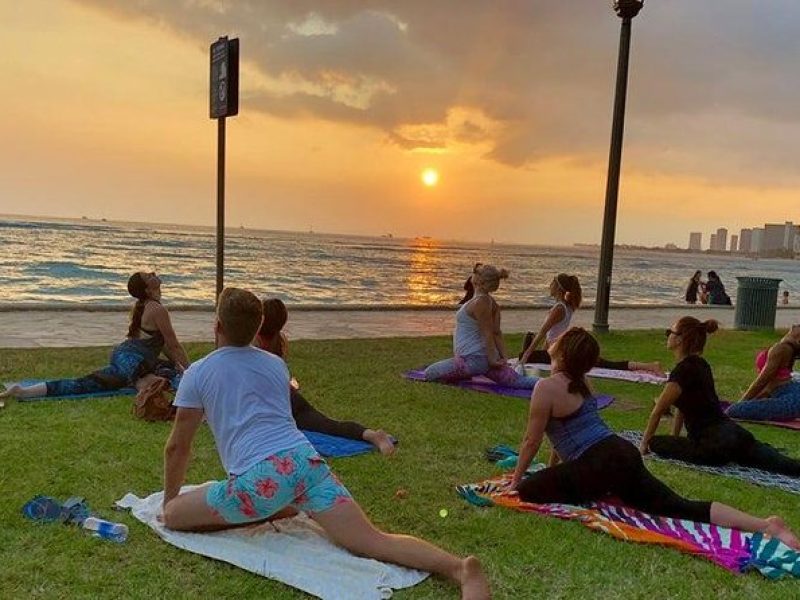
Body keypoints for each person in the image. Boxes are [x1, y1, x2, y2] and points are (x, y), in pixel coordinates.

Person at [160, 288, 491, 599]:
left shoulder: (199, 372)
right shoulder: (275, 365)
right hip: (307, 463)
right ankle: (459, 568)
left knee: (174, 515)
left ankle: (272, 506)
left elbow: (178, 447)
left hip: (261, 479)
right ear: (259, 326)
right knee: (373, 540)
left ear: (217, 325)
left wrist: (169, 501)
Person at [509, 327, 800, 550]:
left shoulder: (545, 388)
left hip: (601, 461)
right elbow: (563, 440)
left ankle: (596, 489)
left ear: (562, 353)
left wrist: (515, 482)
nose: (552, 341)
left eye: (557, 340)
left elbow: (531, 442)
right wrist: (554, 470)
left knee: (528, 490)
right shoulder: (583, 382)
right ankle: (766, 525)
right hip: (621, 452)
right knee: (680, 505)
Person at [639, 317, 800, 475]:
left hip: (712, 446)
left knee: (656, 443)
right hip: (736, 434)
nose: (668, 336)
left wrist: (645, 445)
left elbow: (657, 411)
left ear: (680, 339)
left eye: (670, 332)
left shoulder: (681, 372)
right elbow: (683, 406)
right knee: (786, 465)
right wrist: (674, 438)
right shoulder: (702, 365)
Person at [1, 271, 189, 400]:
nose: (154, 274)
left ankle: (24, 391)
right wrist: (192, 372)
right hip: (132, 361)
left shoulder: (145, 307)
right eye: (149, 276)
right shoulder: (157, 309)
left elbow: (164, 346)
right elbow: (173, 345)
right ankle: (142, 385)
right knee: (161, 381)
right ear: (148, 289)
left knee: (84, 384)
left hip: (122, 357)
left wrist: (180, 366)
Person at [255, 297, 395, 455]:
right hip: (290, 399)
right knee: (330, 426)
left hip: (284, 403)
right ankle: (372, 434)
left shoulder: (258, 345)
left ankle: (375, 436)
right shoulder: (278, 341)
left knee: (327, 427)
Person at [518, 274, 663, 375]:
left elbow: (543, 333)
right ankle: (649, 365)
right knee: (606, 363)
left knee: (607, 364)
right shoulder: (566, 306)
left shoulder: (559, 308)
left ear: (558, 288)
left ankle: (650, 366)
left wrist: (526, 355)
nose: (549, 286)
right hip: (560, 349)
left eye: (552, 284)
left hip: (561, 351)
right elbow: (551, 335)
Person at [424, 264, 537, 388]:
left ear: (479, 280)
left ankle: (470, 372)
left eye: (475, 272)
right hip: (481, 360)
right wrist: (504, 358)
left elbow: (488, 333)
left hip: (474, 360)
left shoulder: (481, 302)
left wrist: (492, 360)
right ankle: (553, 385)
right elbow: (496, 332)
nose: (472, 273)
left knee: (430, 373)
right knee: (517, 381)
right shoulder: (488, 301)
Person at [726, 324, 800, 422]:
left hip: (793, 398)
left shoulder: (780, 349)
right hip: (787, 392)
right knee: (739, 408)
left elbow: (762, 381)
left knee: (733, 411)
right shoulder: (787, 348)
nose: (795, 325)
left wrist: (741, 402)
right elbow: (768, 389)